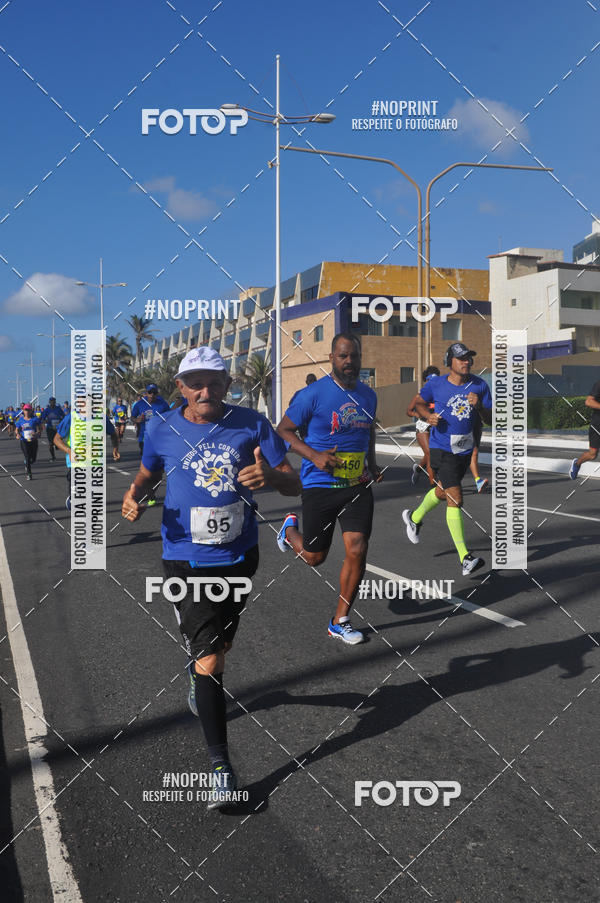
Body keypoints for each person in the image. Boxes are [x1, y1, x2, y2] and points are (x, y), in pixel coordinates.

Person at [121, 346, 300, 809]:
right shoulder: (160, 427)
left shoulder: (252, 424)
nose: (206, 390)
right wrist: (133, 497)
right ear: (180, 386)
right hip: (185, 559)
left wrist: (272, 478)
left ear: (228, 384)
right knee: (212, 663)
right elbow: (146, 473)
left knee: (220, 649)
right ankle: (221, 768)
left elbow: (292, 481)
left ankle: (199, 666)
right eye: (196, 382)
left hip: (240, 556)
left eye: (215, 381)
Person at [275, 333, 383, 646]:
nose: (349, 362)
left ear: (360, 359)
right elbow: (284, 430)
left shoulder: (368, 395)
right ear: (331, 358)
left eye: (354, 357)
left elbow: (368, 432)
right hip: (319, 484)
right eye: (343, 356)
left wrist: (372, 464)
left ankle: (340, 620)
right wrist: (315, 456)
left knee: (357, 548)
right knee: (314, 557)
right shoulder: (313, 394)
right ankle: (289, 531)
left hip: (356, 484)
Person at [402, 342, 492, 576]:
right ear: (449, 361)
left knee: (444, 491)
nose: (467, 362)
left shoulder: (480, 385)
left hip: (463, 450)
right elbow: (417, 405)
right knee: (456, 498)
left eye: (469, 358)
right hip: (442, 449)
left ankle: (414, 517)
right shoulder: (436, 384)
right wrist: (427, 416)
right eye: (462, 358)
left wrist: (479, 405)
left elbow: (490, 418)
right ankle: (465, 557)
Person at [54, 396, 120, 509]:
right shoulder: (71, 418)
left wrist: (115, 449)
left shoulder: (101, 418)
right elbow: (56, 439)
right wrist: (69, 451)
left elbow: (113, 433)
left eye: (88, 399)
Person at [131, 384, 170, 506]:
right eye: (150, 392)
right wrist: (137, 420)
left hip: (160, 440)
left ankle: (151, 492)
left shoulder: (163, 404)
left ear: (157, 393)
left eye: (154, 392)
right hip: (144, 439)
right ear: (146, 393)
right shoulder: (140, 404)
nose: (152, 395)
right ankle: (150, 493)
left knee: (158, 471)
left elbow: (171, 418)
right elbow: (132, 417)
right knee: (147, 469)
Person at [406, 365, 440, 485]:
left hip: (436, 428)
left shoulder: (440, 396)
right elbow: (408, 411)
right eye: (430, 381)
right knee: (430, 454)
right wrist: (418, 414)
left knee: (432, 454)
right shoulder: (419, 396)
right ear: (427, 381)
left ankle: (419, 469)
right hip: (422, 427)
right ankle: (433, 484)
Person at [569, 380, 600, 479]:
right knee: (592, 455)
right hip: (597, 424)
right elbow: (588, 401)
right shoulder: (599, 384)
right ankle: (577, 464)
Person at [15, 403, 41, 480]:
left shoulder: (35, 419)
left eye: (28, 410)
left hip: (33, 440)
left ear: (31, 411)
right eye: (26, 410)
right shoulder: (21, 420)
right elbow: (16, 429)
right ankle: (29, 474)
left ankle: (27, 463)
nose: (27, 411)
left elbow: (39, 430)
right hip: (24, 440)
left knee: (33, 459)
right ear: (23, 411)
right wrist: (17, 434)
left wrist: (36, 434)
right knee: (27, 456)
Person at [468, 411, 488, 492]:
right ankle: (478, 480)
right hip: (463, 422)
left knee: (474, 451)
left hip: (476, 421)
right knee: (474, 450)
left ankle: (478, 481)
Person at [41, 397, 65, 461]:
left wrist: (61, 421)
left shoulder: (58, 409)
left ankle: (57, 445)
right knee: (50, 443)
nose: (52, 402)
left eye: (54, 401)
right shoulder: (47, 410)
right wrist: (45, 421)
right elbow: (43, 418)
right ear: (49, 402)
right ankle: (53, 456)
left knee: (59, 441)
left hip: (57, 428)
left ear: (55, 402)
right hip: (50, 428)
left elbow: (63, 417)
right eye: (51, 401)